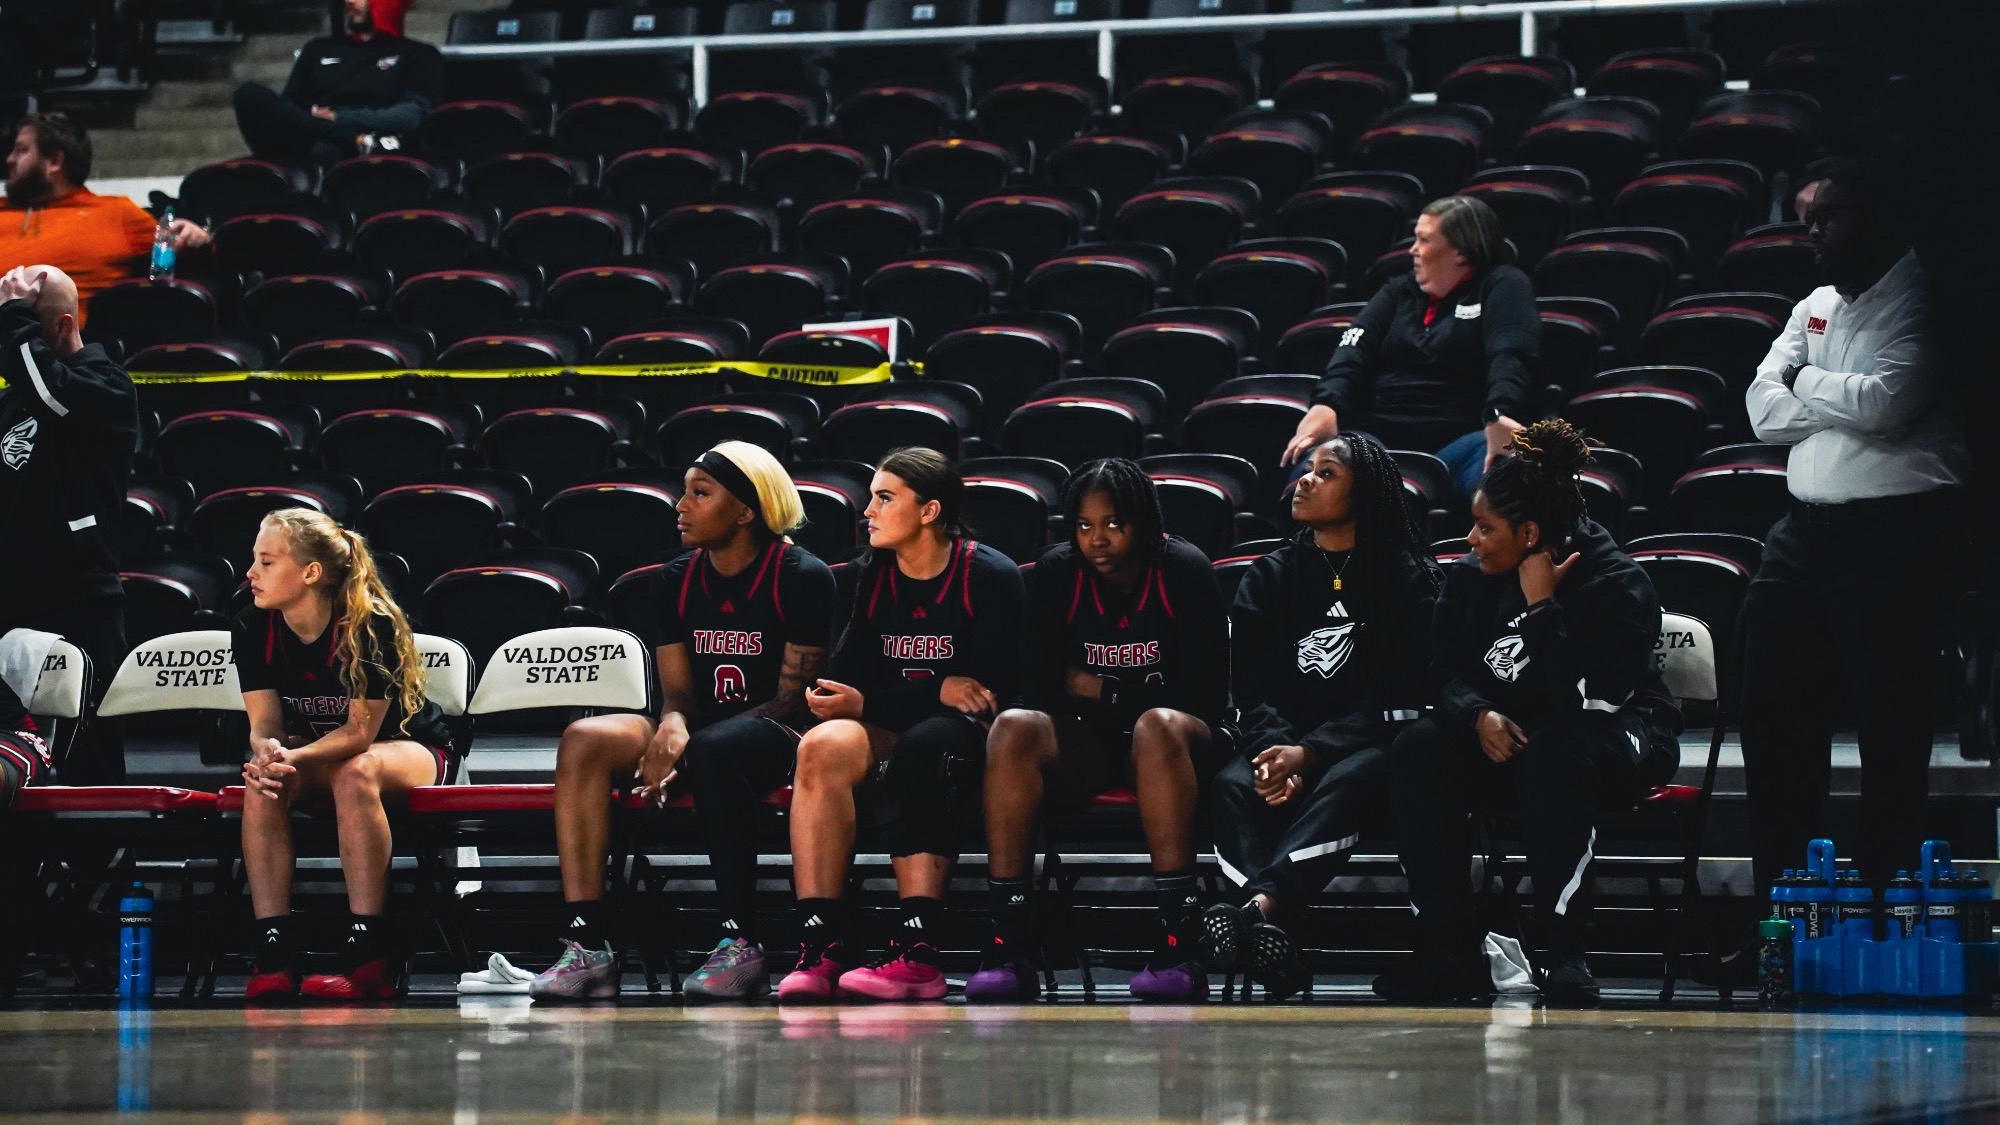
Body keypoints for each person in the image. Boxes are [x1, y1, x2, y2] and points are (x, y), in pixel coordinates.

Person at [1374, 421, 1682, 1003]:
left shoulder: (1617, 583)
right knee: (1419, 748)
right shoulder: (1472, 580)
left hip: (1619, 730)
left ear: (1531, 532)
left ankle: (1565, 952)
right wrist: (1477, 716)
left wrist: (1542, 605)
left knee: (1558, 752)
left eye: (1485, 528)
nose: (1470, 539)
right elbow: (1443, 673)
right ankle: (1448, 953)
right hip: (1516, 730)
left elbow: (1585, 701)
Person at [529, 443, 836, 1002]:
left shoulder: (801, 574)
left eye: (700, 493)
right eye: (684, 491)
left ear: (746, 509)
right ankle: (587, 946)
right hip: (700, 727)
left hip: (780, 732)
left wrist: (690, 740)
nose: (681, 505)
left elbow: (793, 700)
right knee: (585, 740)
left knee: (716, 748)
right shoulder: (673, 578)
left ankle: (740, 943)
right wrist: (672, 724)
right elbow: (678, 694)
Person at [1741, 161, 1968, 894]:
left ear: (1876, 217)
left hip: (1896, 536)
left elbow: (1890, 401)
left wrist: (1803, 381)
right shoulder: (1814, 302)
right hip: (1800, 533)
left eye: (1829, 217)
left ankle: (1881, 902)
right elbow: (1759, 408)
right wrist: (1828, 395)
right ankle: (1784, 907)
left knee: (1888, 728)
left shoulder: (1934, 299)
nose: (1813, 233)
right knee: (1773, 717)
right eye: (1809, 218)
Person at [969, 459, 1228, 1003]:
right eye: (1084, 526)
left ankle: (1180, 943)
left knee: (1155, 726)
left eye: (1113, 524)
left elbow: (1203, 694)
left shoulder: (1184, 569)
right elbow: (1038, 689)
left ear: (1143, 522)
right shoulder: (1057, 572)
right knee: (1014, 727)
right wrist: (1111, 699)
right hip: (1089, 742)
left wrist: (1105, 691)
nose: (1098, 540)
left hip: (1177, 742)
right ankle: (1009, 942)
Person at [778, 447, 1024, 1002]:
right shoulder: (862, 577)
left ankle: (919, 951)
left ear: (930, 511)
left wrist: (879, 702)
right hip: (896, 720)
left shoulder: (989, 574)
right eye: (870, 498)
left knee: (926, 743)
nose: (868, 511)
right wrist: (932, 689)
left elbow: (986, 696)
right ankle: (820, 944)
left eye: (885, 499)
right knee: (820, 745)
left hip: (973, 740)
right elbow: (838, 693)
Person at [1204, 434, 1441, 1000]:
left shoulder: (1407, 577)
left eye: (1326, 473)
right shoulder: (1271, 574)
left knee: (1350, 776)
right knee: (1230, 786)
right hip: (1283, 745)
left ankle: (1258, 909)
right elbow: (1251, 688)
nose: (1305, 480)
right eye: (1307, 469)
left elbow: (1402, 694)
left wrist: (1310, 754)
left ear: (1365, 494)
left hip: (1372, 744)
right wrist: (1276, 753)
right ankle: (1271, 935)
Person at [237, 509, 459, 1003]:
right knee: (262, 781)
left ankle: (368, 952)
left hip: (413, 750)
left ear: (311, 573)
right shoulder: (252, 624)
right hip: (323, 756)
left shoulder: (368, 621)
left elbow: (360, 734)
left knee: (357, 772)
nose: (250, 573)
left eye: (267, 562)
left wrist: (296, 755)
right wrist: (269, 751)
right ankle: (274, 949)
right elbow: (265, 724)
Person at [1281, 194, 1540, 504]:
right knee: (1317, 474)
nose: (1412, 250)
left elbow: (1510, 354)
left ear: (1460, 251)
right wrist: (1326, 405)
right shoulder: (1397, 291)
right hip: (1376, 436)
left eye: (1424, 240)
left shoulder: (1503, 284)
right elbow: (1352, 351)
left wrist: (1501, 412)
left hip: (1462, 438)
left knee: (1509, 485)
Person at [0, 265, 139, 784]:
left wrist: (13, 320)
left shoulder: (106, 385)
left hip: (79, 593)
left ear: (59, 327)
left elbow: (50, 392)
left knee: (92, 747)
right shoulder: (14, 403)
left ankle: (94, 864)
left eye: (19, 329)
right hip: (13, 591)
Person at [2, 114, 210, 321]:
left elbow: (186, 250)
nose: (9, 160)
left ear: (55, 161)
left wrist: (199, 240)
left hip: (42, 343)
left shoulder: (116, 213)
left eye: (21, 151)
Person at [234, 0, 443, 168]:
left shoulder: (419, 54)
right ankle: (355, 139)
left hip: (365, 146)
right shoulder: (318, 49)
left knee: (326, 151)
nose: (350, 2)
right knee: (248, 94)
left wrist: (338, 117)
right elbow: (287, 111)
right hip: (305, 141)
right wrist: (345, 132)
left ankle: (350, 141)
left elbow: (409, 117)